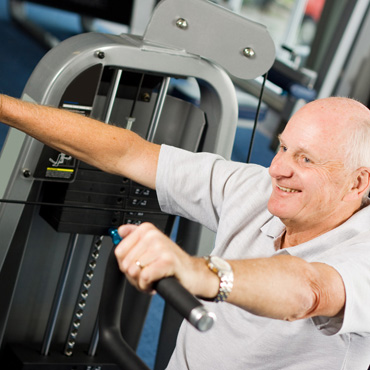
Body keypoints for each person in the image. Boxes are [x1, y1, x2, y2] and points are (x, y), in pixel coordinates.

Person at [1, 94, 370, 369]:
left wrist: (199, 272)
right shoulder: (256, 188)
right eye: (284, 147)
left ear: (357, 183)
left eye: (305, 159)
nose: (277, 168)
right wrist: (6, 108)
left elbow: (310, 289)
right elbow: (130, 154)